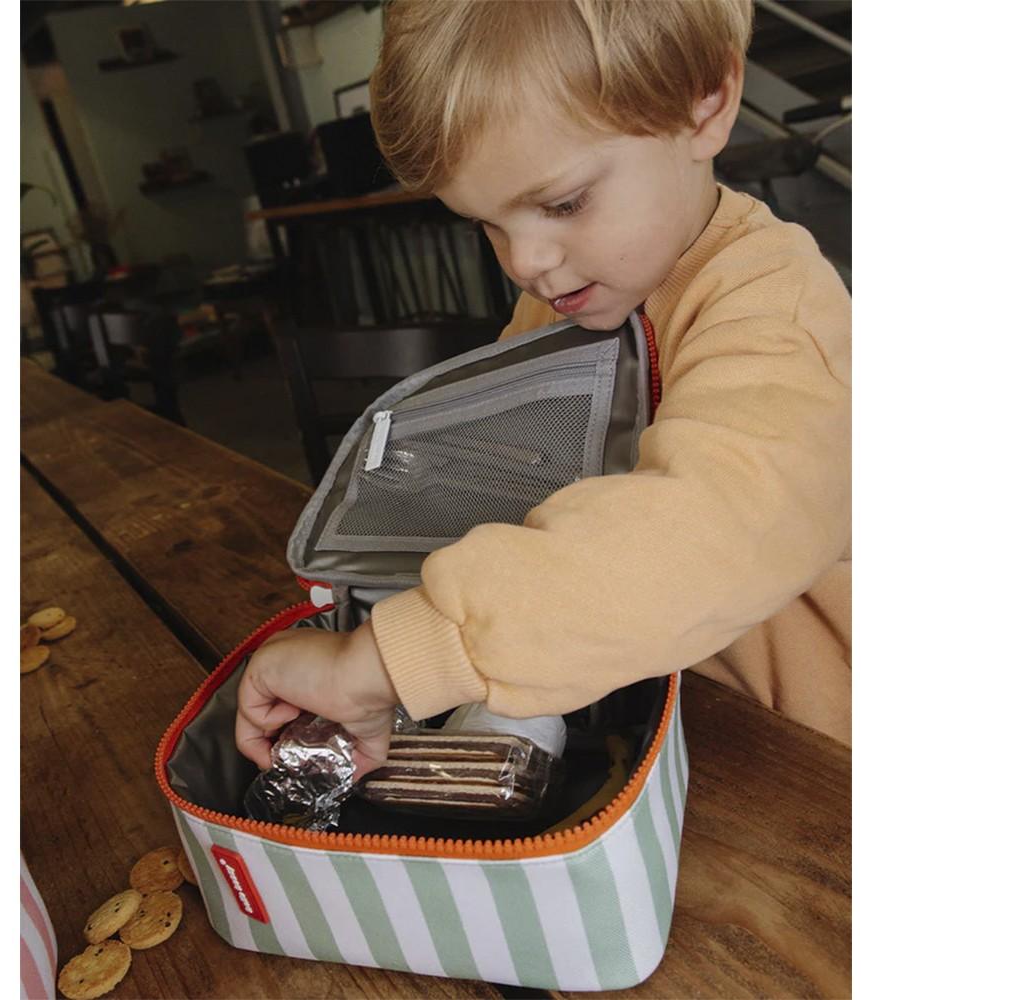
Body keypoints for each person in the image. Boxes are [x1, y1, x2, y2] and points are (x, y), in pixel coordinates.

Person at [236, 0, 851, 780]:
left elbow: (713, 532)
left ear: (706, 103)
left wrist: (388, 660)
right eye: (484, 223)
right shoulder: (565, 298)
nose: (524, 261)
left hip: (809, 768)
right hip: (654, 726)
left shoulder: (781, 313)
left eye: (563, 203)